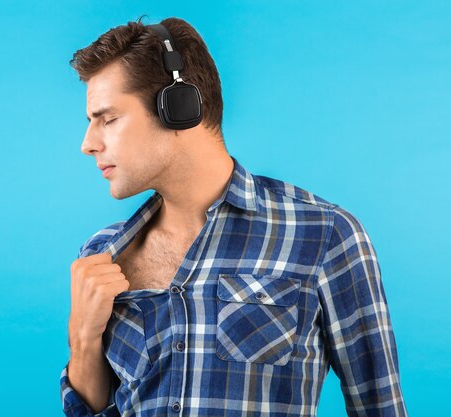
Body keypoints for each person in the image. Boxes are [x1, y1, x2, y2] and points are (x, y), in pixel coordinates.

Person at [59, 16, 407, 417]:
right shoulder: (102, 254)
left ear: (179, 107)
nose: (88, 144)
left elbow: (381, 408)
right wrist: (83, 339)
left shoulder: (325, 236)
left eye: (108, 119)